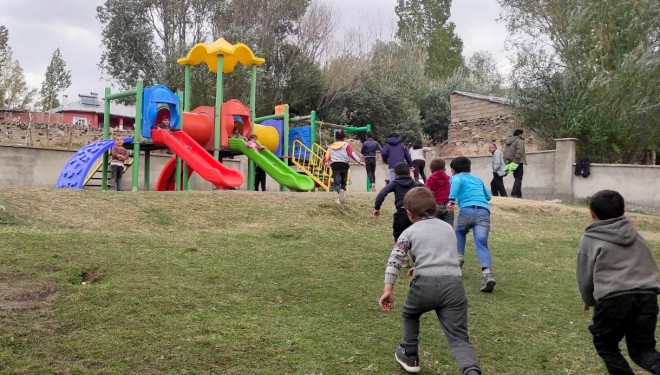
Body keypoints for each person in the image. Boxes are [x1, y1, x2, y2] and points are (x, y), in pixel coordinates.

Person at [378, 187, 482, 375]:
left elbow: (395, 260)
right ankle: (472, 371)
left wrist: (388, 289)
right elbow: (442, 255)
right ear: (434, 207)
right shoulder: (448, 229)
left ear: (409, 214)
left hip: (424, 286)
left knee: (410, 313)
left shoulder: (409, 232)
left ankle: (410, 355)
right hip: (453, 286)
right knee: (459, 337)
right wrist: (419, 267)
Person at [576, 190, 660, 374]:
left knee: (605, 344)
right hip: (647, 298)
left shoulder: (590, 239)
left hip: (613, 301)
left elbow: (585, 276)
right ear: (623, 211)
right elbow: (649, 264)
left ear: (592, 214)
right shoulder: (637, 236)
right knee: (642, 350)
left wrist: (588, 300)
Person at [447, 156, 496, 293]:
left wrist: (451, 201)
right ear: (470, 168)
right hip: (483, 211)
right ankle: (487, 274)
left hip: (467, 210)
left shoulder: (457, 178)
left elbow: (455, 185)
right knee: (481, 243)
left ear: (453, 170)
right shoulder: (477, 179)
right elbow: (488, 197)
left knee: (460, 232)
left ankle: (459, 257)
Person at [373, 162, 424, 242]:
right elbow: (429, 193)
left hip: (401, 214)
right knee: (414, 237)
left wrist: (377, 208)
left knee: (398, 236)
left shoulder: (394, 183)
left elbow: (382, 193)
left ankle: (400, 251)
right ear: (409, 172)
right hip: (414, 214)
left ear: (395, 174)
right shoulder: (416, 184)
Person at [323, 129, 364, 204]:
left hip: (335, 165)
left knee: (336, 183)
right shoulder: (346, 145)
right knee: (343, 182)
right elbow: (352, 153)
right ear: (344, 138)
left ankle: (340, 193)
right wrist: (359, 161)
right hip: (345, 165)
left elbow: (326, 157)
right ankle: (341, 193)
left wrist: (324, 161)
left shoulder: (331, 146)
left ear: (336, 137)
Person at [425, 158, 454, 227]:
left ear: (431, 169)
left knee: (434, 228)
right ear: (444, 168)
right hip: (448, 206)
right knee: (448, 229)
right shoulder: (449, 178)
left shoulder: (430, 179)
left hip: (436, 206)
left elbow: (426, 191)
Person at [503, 129, 526, 198]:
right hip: (518, 162)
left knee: (517, 178)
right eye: (522, 134)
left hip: (511, 162)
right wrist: (516, 161)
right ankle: (514, 193)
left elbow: (506, 152)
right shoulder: (519, 141)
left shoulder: (509, 142)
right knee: (519, 177)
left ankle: (519, 195)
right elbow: (520, 151)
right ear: (519, 134)